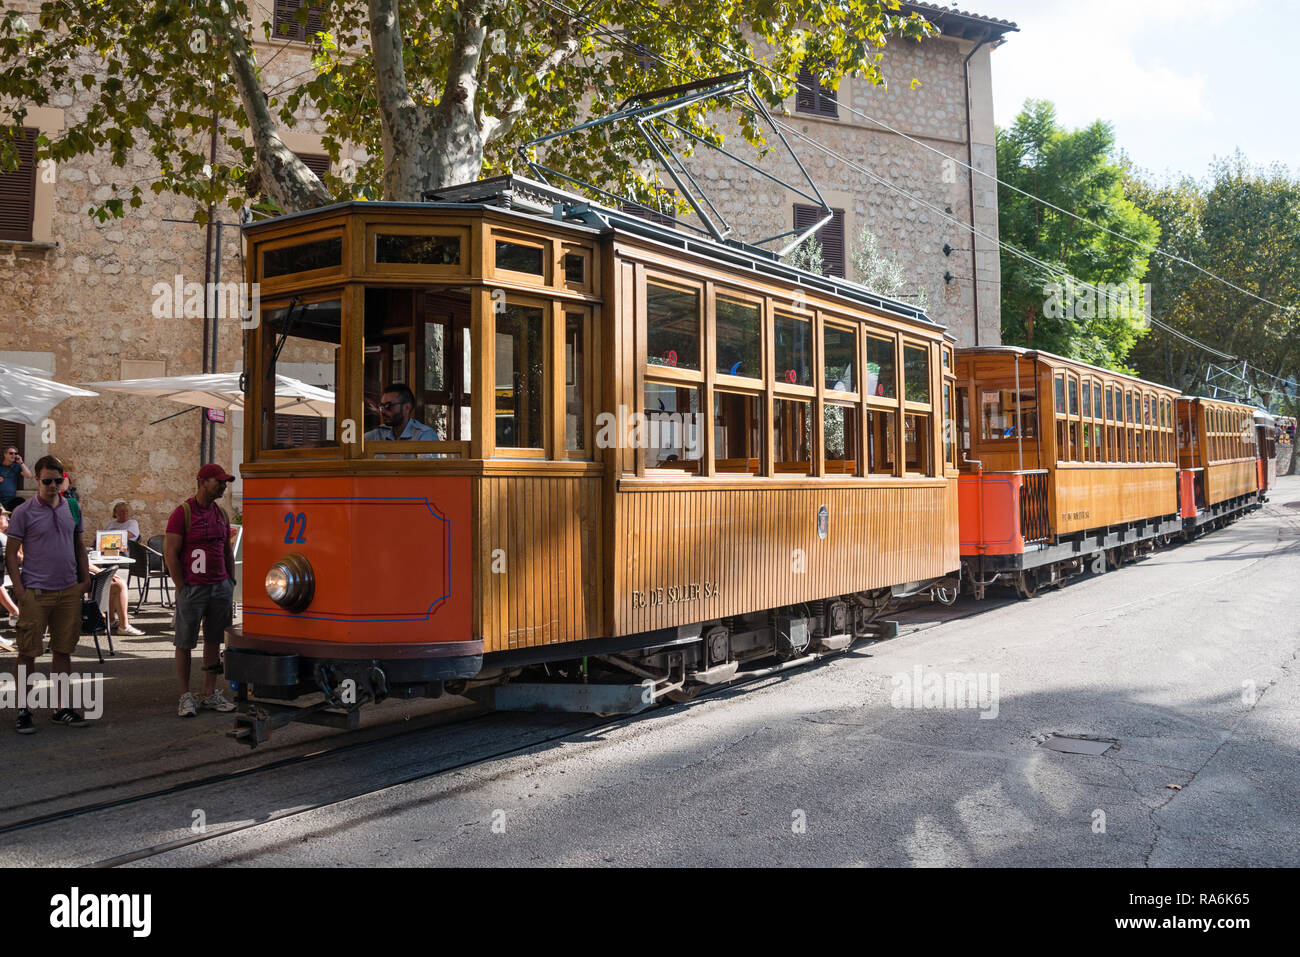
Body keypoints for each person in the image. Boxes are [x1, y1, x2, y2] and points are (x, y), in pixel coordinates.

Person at [4, 454, 92, 732]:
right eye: (47, 481)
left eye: (58, 480)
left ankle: (61, 707)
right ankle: (24, 709)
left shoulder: (72, 508)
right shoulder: (23, 512)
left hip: (68, 590)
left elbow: (79, 545)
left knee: (63, 651)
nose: (53, 485)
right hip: (36, 591)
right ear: (37, 481)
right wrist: (19, 589)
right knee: (28, 652)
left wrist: (85, 577)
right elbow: (10, 553)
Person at [164, 463, 238, 717]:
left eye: (224, 482)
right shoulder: (182, 513)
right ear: (202, 481)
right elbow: (170, 554)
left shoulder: (221, 514)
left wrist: (230, 581)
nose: (223, 485)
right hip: (193, 589)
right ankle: (185, 695)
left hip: (219, 587)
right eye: (218, 481)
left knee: (214, 640)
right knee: (184, 642)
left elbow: (227, 551)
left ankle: (210, 693)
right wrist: (182, 586)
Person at [363, 383, 437, 442]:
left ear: (407, 407)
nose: (383, 411)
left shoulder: (424, 435)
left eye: (388, 406)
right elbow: (355, 446)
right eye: (381, 406)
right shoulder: (378, 434)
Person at [1, 446, 34, 511]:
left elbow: (29, 476)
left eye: (15, 454)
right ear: (5, 454)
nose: (13, 455)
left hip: (10, 500)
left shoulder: (16, 466)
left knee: (21, 501)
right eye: (11, 453)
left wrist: (21, 463)